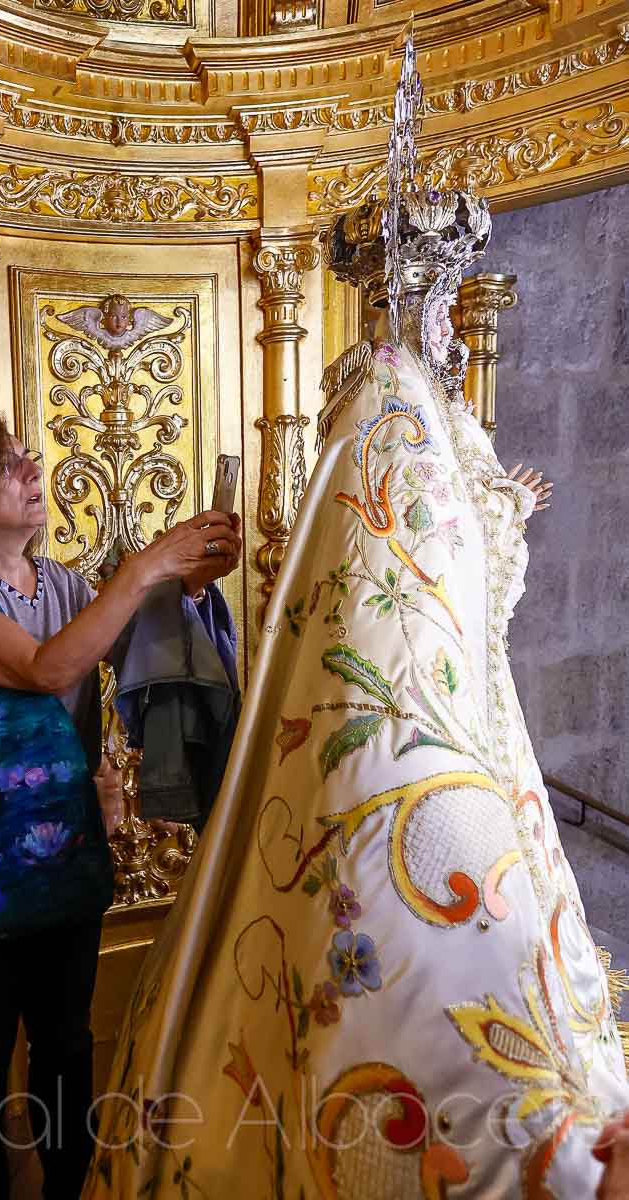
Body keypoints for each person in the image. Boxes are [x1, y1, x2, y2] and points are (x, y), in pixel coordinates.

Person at [80, 44, 628, 1200]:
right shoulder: (397, 413)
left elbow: (448, 601)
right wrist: (497, 520)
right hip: (395, 728)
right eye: (425, 306)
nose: (432, 329)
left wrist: (500, 518)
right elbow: (419, 593)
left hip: (412, 728)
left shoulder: (390, 416)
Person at [0, 415, 241, 1200]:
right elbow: (45, 667)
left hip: (61, 854)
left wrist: (192, 581)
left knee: (67, 1042)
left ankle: (74, 1187)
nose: (34, 471)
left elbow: (143, 648)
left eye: (29, 458)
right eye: (8, 465)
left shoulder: (63, 584)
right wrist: (145, 565)